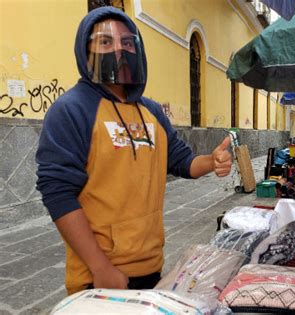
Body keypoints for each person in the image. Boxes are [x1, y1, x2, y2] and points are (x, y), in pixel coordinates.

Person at [35, 7, 232, 295]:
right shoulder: (71, 110)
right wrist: (101, 267)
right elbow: (57, 193)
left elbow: (182, 161)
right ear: (84, 49)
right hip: (98, 275)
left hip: (151, 265)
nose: (118, 50)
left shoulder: (151, 111)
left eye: (127, 43)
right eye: (105, 42)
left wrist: (210, 161)